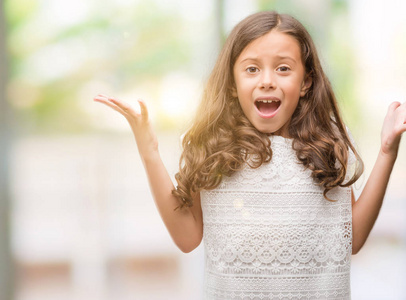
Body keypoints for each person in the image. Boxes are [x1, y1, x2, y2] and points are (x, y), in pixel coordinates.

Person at [94, 11, 406, 300]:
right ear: (232, 83)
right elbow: (186, 237)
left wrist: (386, 152)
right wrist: (149, 150)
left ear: (306, 82)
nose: (267, 79)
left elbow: (351, 239)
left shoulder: (326, 147)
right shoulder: (215, 148)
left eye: (283, 68)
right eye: (252, 69)